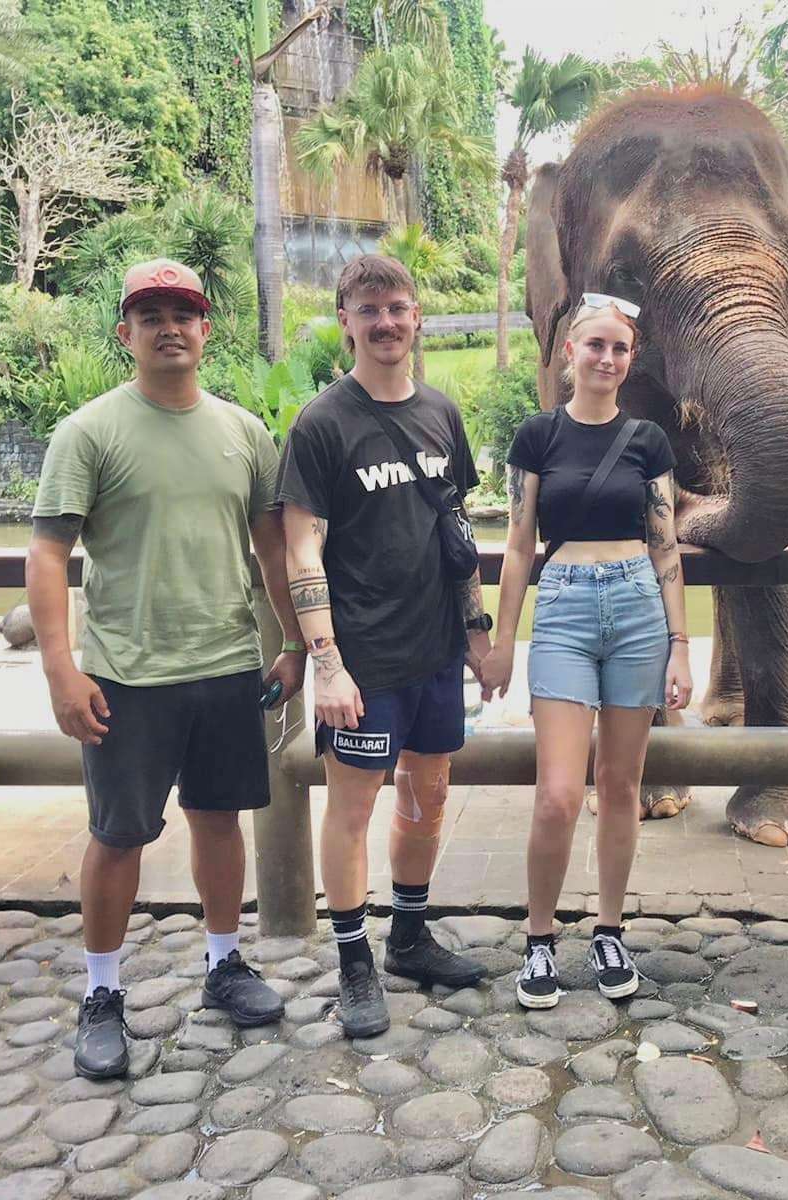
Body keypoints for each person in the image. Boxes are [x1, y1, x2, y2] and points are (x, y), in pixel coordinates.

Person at [27, 258, 303, 1080]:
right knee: (119, 834)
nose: (169, 328)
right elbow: (47, 554)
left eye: (183, 313)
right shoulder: (89, 432)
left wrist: (292, 642)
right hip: (126, 674)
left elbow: (272, 549)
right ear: (127, 333)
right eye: (151, 316)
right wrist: (60, 670)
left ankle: (224, 963)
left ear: (206, 329)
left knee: (219, 818)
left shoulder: (244, 432)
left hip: (225, 662)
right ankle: (102, 992)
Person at [277, 254, 489, 1038]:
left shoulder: (441, 414)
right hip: (362, 660)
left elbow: (457, 531)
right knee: (353, 804)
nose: (386, 323)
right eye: (369, 311)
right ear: (346, 322)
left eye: (397, 307)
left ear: (417, 317)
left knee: (429, 793)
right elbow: (302, 549)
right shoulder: (322, 424)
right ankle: (353, 963)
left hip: (435, 650)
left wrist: (477, 632)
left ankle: (408, 935)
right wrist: (326, 665)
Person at [479, 294, 692, 1010]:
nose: (607, 358)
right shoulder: (537, 436)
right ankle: (539, 938)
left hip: (637, 609)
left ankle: (608, 929)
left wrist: (681, 646)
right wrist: (504, 642)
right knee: (560, 794)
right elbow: (518, 547)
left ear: (631, 360)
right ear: (570, 351)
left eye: (620, 348)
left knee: (622, 787)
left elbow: (665, 547)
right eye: (595, 345)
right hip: (565, 610)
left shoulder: (648, 441)